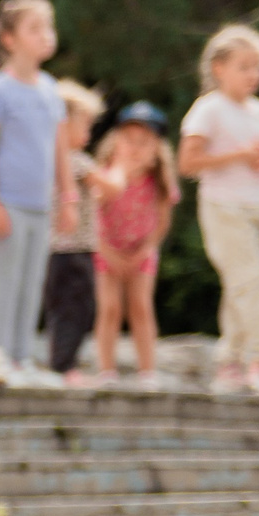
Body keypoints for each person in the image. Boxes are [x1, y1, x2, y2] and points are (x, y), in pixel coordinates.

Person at [0, 0, 68, 387]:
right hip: (5, 203)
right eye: (35, 28)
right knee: (2, 284)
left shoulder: (50, 89)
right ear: (9, 39)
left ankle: (22, 357)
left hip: (39, 205)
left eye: (49, 26)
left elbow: (60, 149)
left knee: (31, 284)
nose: (46, 35)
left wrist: (68, 199)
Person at [181, 25, 259, 393]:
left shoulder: (258, 110)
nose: (253, 75)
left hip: (257, 205)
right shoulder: (208, 108)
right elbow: (188, 162)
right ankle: (258, 357)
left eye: (257, 67)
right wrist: (239, 155)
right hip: (223, 206)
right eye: (244, 66)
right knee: (252, 279)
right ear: (219, 68)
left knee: (240, 283)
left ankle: (230, 360)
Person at [87, 102, 178, 387]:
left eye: (144, 142)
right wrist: (107, 252)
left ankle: (147, 371)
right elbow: (89, 217)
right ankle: (106, 370)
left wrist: (145, 250)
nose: (135, 148)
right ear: (116, 143)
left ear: (156, 149)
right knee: (110, 308)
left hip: (141, 252)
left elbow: (162, 222)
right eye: (129, 140)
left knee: (141, 307)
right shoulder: (103, 176)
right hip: (105, 250)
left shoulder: (159, 182)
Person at [45, 80, 105, 385]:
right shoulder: (76, 161)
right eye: (84, 125)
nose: (88, 133)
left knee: (60, 310)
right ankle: (64, 366)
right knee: (78, 310)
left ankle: (62, 362)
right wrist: (122, 167)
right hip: (75, 250)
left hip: (54, 252)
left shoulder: (46, 160)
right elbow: (109, 186)